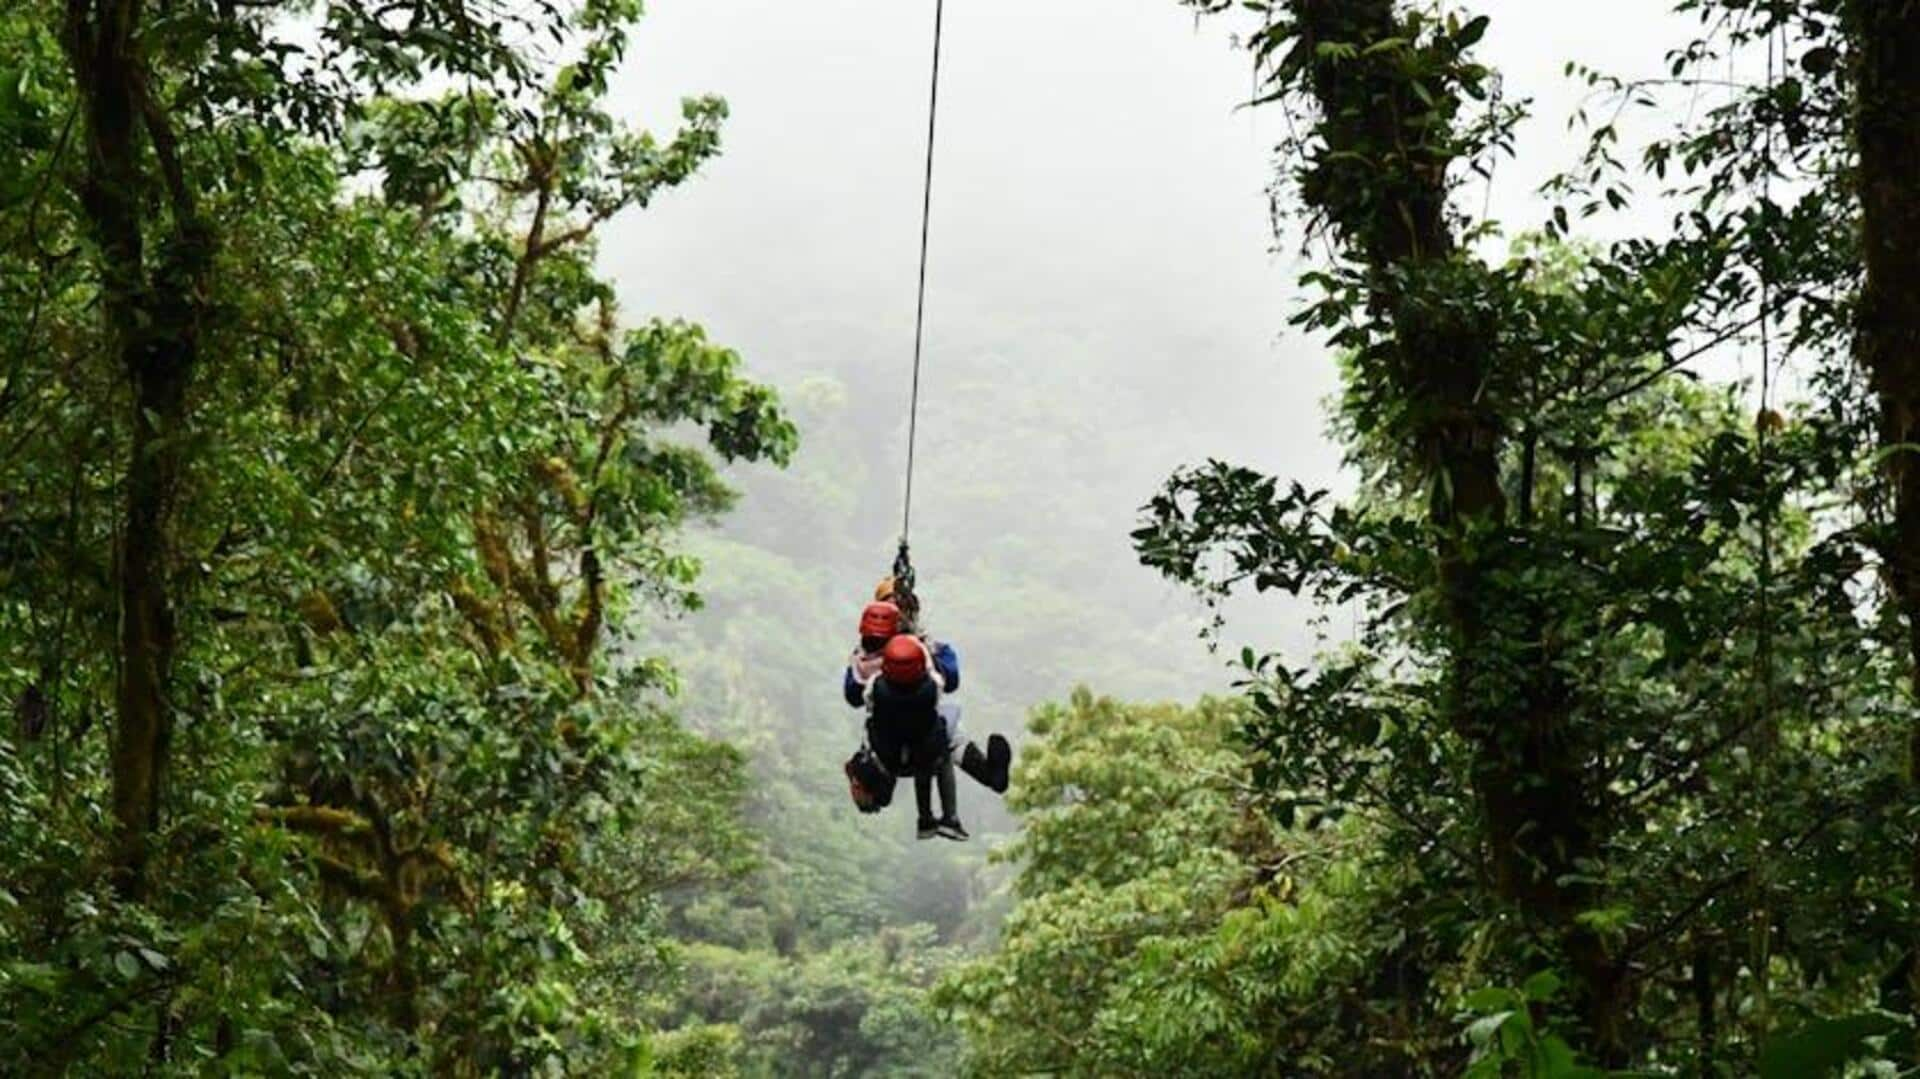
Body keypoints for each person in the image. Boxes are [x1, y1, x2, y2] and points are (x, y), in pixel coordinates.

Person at [864, 635, 965, 840]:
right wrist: (923, 648)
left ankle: (925, 819)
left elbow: (868, 703)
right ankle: (945, 817)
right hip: (924, 752)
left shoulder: (876, 686)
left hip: (887, 752)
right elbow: (935, 676)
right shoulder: (931, 688)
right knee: (935, 750)